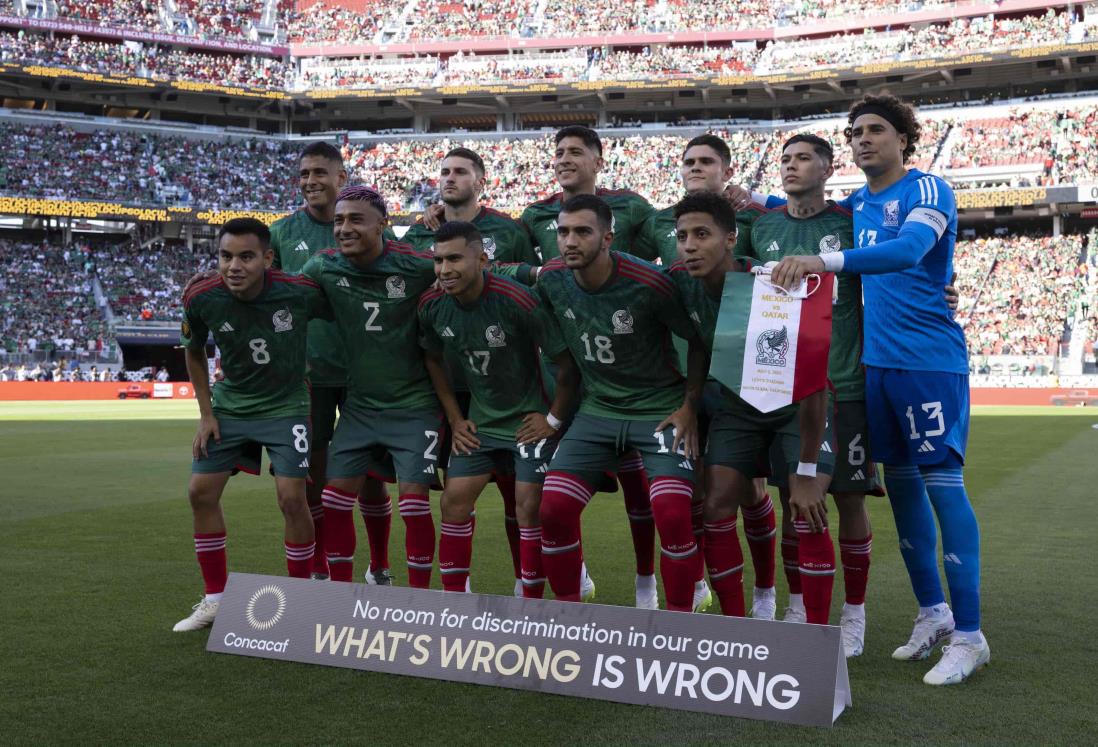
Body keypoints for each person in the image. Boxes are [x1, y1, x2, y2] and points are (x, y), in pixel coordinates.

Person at [772, 94, 989, 685]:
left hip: (928, 362)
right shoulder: (856, 205)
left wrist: (825, 261)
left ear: (903, 139)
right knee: (903, 494)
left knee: (944, 488)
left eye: (874, 130)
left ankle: (971, 637)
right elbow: (790, 209)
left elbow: (909, 250)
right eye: (854, 133)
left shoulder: (926, 190)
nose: (862, 139)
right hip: (876, 367)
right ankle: (934, 616)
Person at [738, 134, 877, 654]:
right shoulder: (763, 226)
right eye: (785, 159)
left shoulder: (850, 223)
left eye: (802, 158)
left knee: (848, 497)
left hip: (846, 381)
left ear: (827, 166)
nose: (791, 166)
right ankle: (798, 604)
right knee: (795, 500)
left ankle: (855, 613)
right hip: (786, 387)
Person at [535, 194, 707, 611]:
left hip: (659, 409)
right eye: (562, 232)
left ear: (608, 237)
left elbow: (699, 342)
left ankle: (679, 624)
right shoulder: (552, 280)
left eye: (582, 231)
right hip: (598, 410)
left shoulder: (649, 283)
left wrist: (690, 406)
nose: (569, 240)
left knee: (670, 512)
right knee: (553, 508)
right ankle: (567, 615)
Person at [666, 191, 833, 621]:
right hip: (738, 408)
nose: (690, 245)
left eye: (702, 234)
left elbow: (814, 383)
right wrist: (689, 404)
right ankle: (738, 624)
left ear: (730, 239)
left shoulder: (773, 284)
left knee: (805, 504)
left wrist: (810, 472)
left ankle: (805, 621)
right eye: (682, 235)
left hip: (795, 407)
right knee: (717, 502)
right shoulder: (681, 282)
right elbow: (701, 345)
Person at [521, 126, 666, 607]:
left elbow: (675, 235)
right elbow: (511, 269)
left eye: (575, 151)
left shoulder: (632, 206)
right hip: (574, 380)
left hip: (638, 377)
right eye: (558, 152)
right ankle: (573, 584)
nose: (564, 159)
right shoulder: (535, 215)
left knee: (644, 493)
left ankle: (649, 584)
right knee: (550, 496)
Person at [639, 131, 779, 619]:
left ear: (728, 170)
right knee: (701, 489)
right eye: (688, 161)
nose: (695, 168)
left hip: (754, 381)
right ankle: (700, 583)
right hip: (693, 374)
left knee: (750, 490)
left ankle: (764, 593)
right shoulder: (658, 221)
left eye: (706, 161)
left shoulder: (757, 221)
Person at [173, 218, 331, 632]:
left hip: (287, 404)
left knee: (291, 499)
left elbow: (343, 308)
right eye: (225, 256)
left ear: (267, 258)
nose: (233, 266)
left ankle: (301, 601)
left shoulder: (298, 291)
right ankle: (215, 599)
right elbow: (192, 352)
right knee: (199, 492)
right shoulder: (201, 296)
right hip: (231, 405)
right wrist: (206, 415)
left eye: (246, 257)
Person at [417, 220, 579, 597]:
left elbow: (567, 364)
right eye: (438, 260)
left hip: (528, 422)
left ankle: (531, 606)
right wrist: (456, 419)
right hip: (482, 424)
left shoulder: (518, 299)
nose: (444, 270)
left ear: (482, 259)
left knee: (528, 510)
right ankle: (455, 602)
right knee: (453, 502)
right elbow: (433, 360)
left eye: (454, 259)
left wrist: (552, 419)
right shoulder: (433, 305)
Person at [301, 186, 442, 589]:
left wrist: (534, 272)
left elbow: (467, 269)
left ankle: (419, 600)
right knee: (333, 499)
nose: (344, 228)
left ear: (383, 224)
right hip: (360, 407)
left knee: (414, 504)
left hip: (415, 404)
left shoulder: (416, 265)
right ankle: (342, 598)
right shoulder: (322, 267)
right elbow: (278, 293)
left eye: (355, 220)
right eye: (339, 221)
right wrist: (220, 281)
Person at [270, 141, 395, 584]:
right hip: (310, 373)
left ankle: (379, 565)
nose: (310, 182)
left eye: (320, 173)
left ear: (342, 178)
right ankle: (322, 567)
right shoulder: (281, 233)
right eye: (304, 174)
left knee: (373, 476)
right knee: (315, 475)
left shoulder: (368, 224)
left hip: (367, 373)